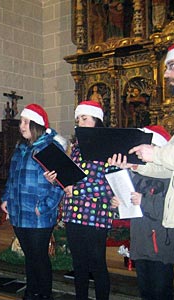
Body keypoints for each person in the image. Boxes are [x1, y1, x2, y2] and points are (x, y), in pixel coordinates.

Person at [126, 37, 174, 300]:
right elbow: (170, 165)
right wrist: (138, 165)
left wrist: (156, 152)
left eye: (172, 66)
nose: (165, 74)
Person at [0, 104, 67, 300]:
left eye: (26, 122)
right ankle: (31, 292)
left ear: (36, 124)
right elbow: (12, 178)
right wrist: (6, 199)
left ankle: (44, 294)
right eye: (21, 121)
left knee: (39, 257)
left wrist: (44, 207)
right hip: (20, 212)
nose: (21, 125)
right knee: (29, 257)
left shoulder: (50, 148)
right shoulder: (21, 148)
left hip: (39, 214)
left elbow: (60, 184)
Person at [110, 125, 174, 300]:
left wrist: (144, 201)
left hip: (161, 246)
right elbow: (131, 206)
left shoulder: (171, 176)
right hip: (141, 243)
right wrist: (120, 203)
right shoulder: (138, 173)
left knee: (160, 293)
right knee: (146, 292)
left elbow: (171, 207)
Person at [61, 100, 115, 300]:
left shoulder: (108, 147)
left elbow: (109, 185)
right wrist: (56, 179)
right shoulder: (75, 148)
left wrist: (76, 190)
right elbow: (69, 178)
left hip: (96, 214)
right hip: (73, 213)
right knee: (78, 264)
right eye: (78, 119)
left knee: (97, 264)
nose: (79, 123)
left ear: (97, 120)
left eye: (84, 118)